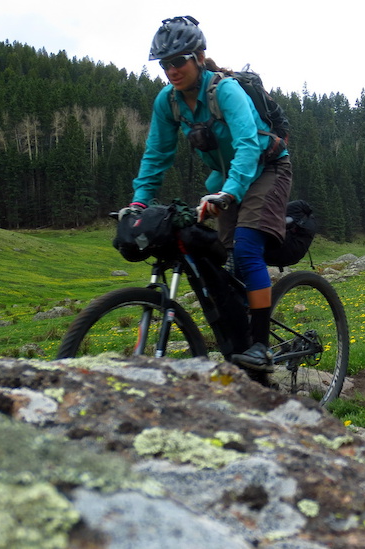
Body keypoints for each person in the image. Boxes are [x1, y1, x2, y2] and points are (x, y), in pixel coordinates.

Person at [122, 15, 292, 371]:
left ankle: (260, 348)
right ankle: (240, 333)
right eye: (164, 63)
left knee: (246, 249)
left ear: (198, 56)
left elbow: (247, 145)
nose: (171, 70)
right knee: (225, 259)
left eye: (178, 60)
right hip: (229, 179)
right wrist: (138, 201)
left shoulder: (225, 90)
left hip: (267, 168)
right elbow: (156, 155)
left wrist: (228, 194)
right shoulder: (168, 102)